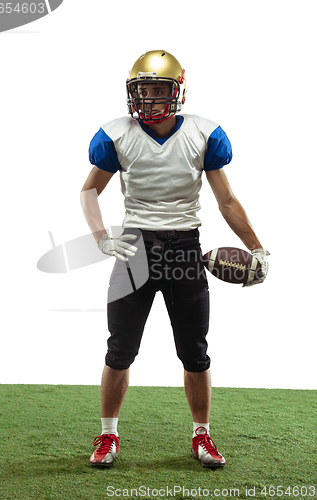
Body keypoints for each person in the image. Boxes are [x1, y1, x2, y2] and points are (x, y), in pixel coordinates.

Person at [80, 50, 269, 469]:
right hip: (135, 250)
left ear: (177, 89)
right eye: (142, 89)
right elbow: (89, 191)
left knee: (194, 352)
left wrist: (257, 248)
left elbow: (227, 200)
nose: (148, 98)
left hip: (185, 247)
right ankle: (108, 433)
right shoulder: (118, 134)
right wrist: (102, 239)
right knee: (119, 350)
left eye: (157, 89)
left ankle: (202, 434)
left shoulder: (202, 133)